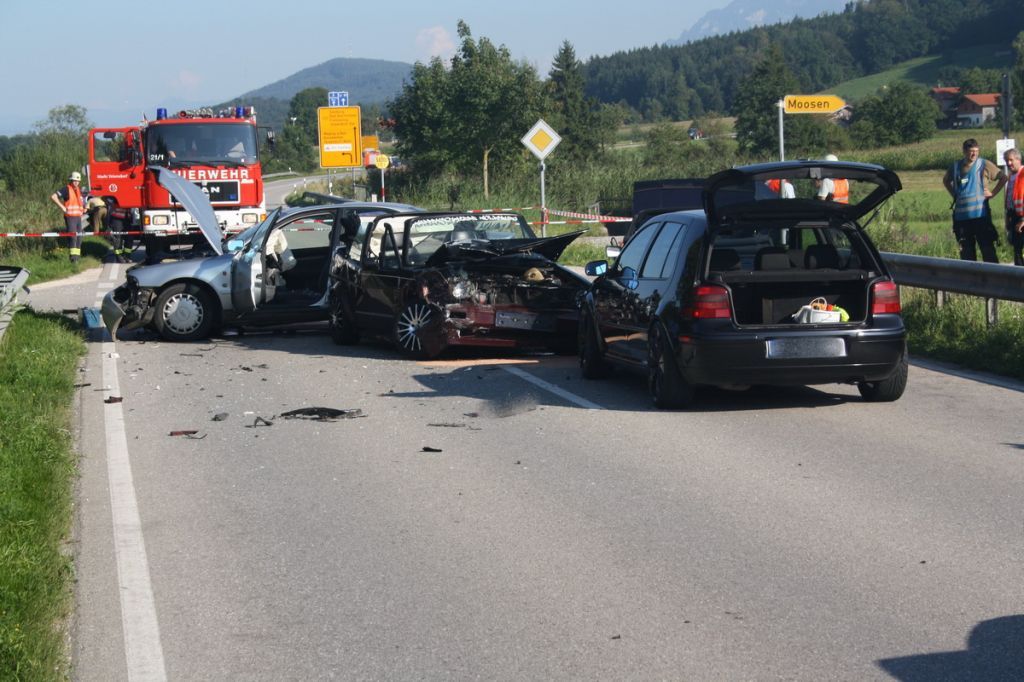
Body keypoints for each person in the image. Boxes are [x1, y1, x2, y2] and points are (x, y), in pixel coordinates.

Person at [943, 138, 1005, 262]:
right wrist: (954, 194)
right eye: (971, 151)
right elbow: (946, 181)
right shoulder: (955, 167)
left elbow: (1003, 177)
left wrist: (992, 193)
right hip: (962, 219)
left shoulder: (984, 164)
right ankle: (971, 274)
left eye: (976, 151)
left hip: (981, 216)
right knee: (966, 253)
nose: (974, 154)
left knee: (987, 249)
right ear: (964, 151)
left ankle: (992, 273)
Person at [50, 171, 85, 263]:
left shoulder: (78, 190)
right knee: (73, 237)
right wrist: (62, 207)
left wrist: (84, 208)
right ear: (71, 180)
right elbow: (53, 196)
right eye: (74, 180)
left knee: (79, 238)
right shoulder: (66, 189)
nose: (76, 182)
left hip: (78, 217)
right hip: (70, 217)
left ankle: (77, 258)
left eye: (78, 181)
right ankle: (73, 259)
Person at [1004, 148, 1024, 266]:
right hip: (1014, 217)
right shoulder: (1011, 176)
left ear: (1018, 159)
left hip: (1022, 218)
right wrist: (1007, 219)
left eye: (1011, 160)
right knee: (1017, 250)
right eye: (1007, 160)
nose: (1008, 163)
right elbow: (1010, 200)